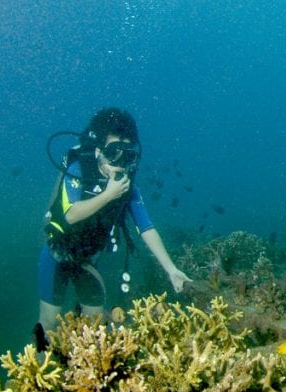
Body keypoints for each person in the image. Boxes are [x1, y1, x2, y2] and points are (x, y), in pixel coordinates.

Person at [36, 107, 191, 348]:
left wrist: (171, 269)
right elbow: (70, 215)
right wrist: (108, 195)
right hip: (57, 254)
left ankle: (85, 377)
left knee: (95, 327)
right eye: (113, 152)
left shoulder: (127, 188)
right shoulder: (78, 170)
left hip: (87, 262)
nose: (119, 161)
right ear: (98, 150)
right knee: (47, 323)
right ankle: (38, 374)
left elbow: (146, 227)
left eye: (127, 154)